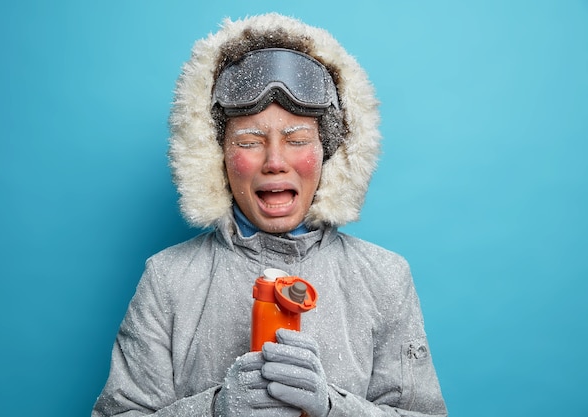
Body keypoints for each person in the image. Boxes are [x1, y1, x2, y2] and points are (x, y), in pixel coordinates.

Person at [92, 13, 447, 417]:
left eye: (297, 140)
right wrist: (213, 410)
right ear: (217, 156)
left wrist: (334, 408)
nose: (275, 161)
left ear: (329, 152)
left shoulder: (385, 277)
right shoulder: (167, 279)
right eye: (249, 141)